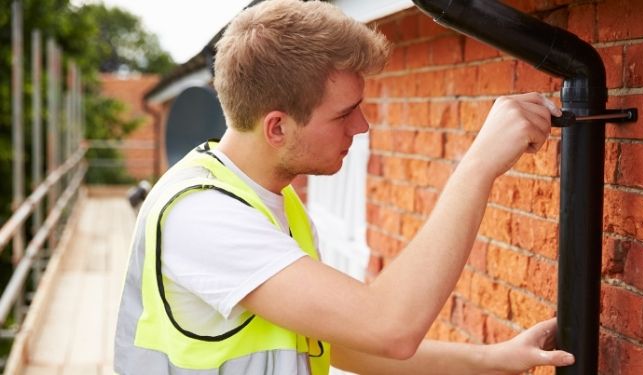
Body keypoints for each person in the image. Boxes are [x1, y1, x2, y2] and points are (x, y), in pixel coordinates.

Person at [114, 0, 574, 374]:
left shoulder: (270, 201)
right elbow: (389, 326)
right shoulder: (203, 217)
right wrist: (480, 163)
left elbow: (331, 341)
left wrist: (492, 361)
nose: (363, 125)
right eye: (343, 113)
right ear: (277, 127)